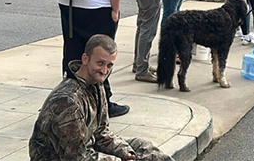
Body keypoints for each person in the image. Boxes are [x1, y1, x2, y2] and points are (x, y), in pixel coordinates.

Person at [29, 34, 173, 161]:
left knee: (143, 148)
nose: (104, 71)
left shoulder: (97, 84)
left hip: (87, 151)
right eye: (100, 63)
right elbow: (76, 156)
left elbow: (101, 133)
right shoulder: (67, 100)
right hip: (63, 158)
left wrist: (125, 152)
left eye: (109, 65)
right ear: (85, 59)